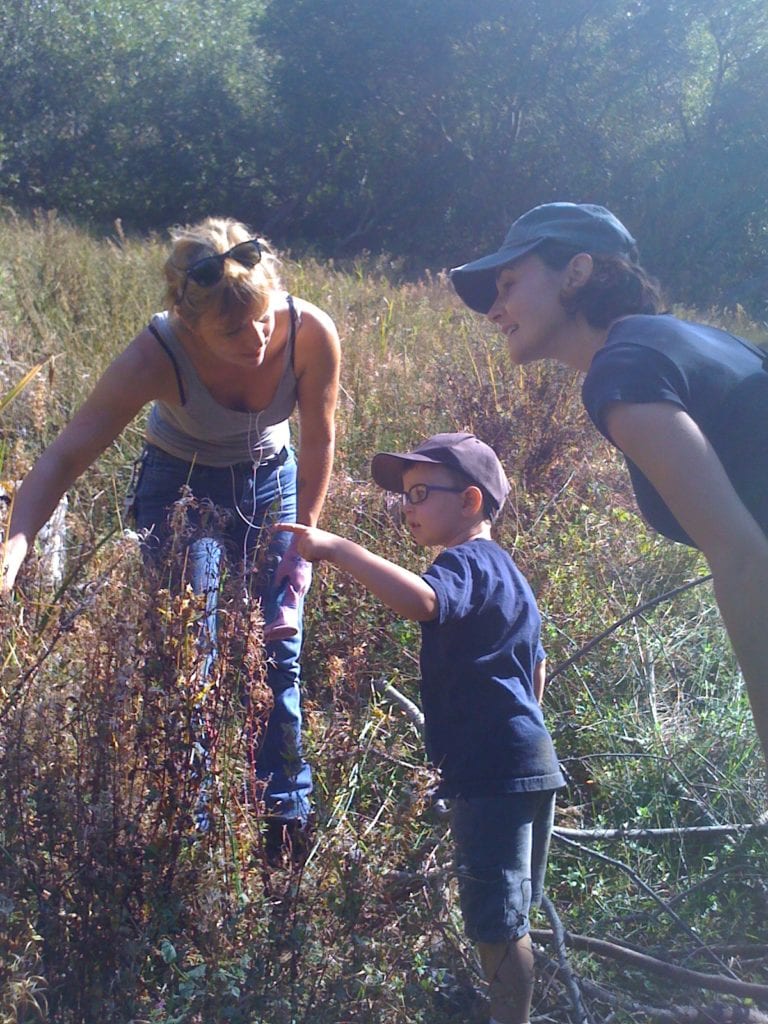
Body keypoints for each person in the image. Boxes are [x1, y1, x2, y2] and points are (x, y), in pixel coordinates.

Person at [1, 217, 341, 849]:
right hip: (179, 485)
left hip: (271, 480)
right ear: (190, 325)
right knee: (195, 647)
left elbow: (319, 436)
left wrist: (305, 537)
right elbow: (64, 457)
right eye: (231, 329)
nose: (257, 337)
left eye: (262, 316)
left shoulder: (310, 332)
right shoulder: (156, 354)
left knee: (279, 646)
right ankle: (193, 821)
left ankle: (286, 818)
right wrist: (15, 546)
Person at [450, 201, 768, 775]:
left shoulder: (623, 370)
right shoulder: (688, 341)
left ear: (577, 272)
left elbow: (743, 559)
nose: (494, 310)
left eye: (509, 283)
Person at [277, 432, 565, 1024]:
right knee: (509, 914)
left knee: (497, 925)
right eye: (404, 496)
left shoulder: (463, 562)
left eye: (420, 493)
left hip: (493, 773)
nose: (406, 506)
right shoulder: (509, 574)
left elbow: (424, 603)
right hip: (529, 763)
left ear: (470, 502)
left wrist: (336, 549)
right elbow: (537, 667)